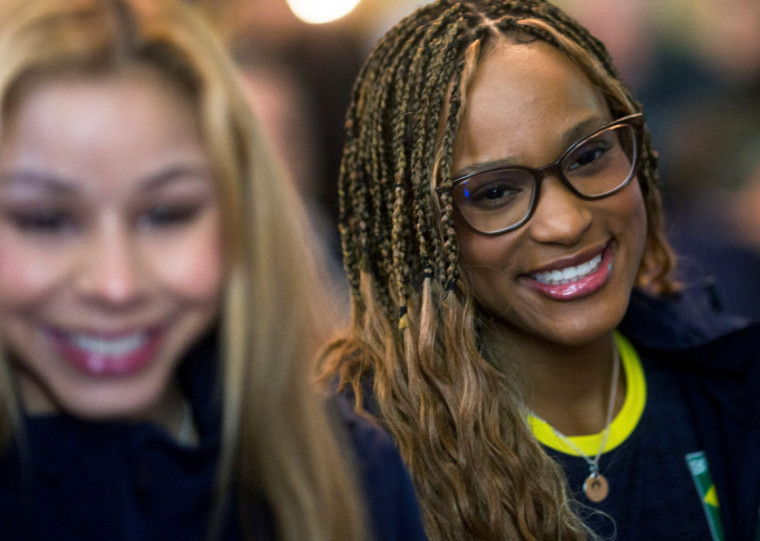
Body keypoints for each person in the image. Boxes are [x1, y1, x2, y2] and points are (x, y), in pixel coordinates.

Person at [319, 1, 760, 539]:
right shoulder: (359, 465)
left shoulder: (729, 388)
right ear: (418, 228)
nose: (567, 221)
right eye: (495, 192)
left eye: (588, 155)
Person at [0, 1, 427, 540]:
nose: (116, 285)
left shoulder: (348, 471)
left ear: (239, 219)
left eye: (166, 214)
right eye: (46, 220)